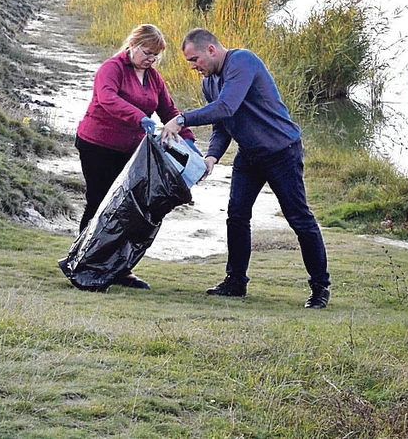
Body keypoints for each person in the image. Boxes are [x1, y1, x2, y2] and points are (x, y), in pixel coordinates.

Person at [160, 28, 331, 309]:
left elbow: (226, 107)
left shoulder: (243, 61)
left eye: (195, 59)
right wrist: (212, 157)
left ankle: (320, 287)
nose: (193, 67)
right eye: (190, 62)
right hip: (249, 156)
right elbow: (222, 124)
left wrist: (181, 120)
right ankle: (235, 281)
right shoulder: (209, 83)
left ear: (211, 50)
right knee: (236, 215)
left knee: (299, 218)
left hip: (281, 152)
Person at [74, 23, 199, 290]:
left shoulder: (153, 77)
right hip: (97, 144)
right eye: (147, 52)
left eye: (156, 55)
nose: (151, 58)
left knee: (127, 210)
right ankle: (84, 264)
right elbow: (107, 98)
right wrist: (139, 117)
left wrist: (188, 138)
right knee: (98, 202)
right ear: (132, 45)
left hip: (131, 152)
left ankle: (120, 269)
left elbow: (168, 109)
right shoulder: (112, 68)